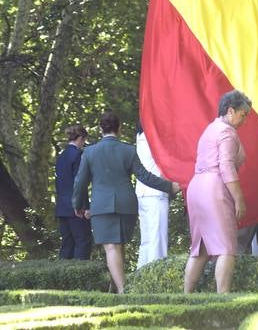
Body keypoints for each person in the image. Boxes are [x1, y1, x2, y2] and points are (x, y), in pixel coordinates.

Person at [72, 110, 179, 293]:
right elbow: (144, 176)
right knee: (118, 245)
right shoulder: (129, 150)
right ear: (119, 128)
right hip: (126, 206)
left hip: (102, 206)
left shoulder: (90, 152)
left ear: (100, 129)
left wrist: (78, 204)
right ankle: (115, 288)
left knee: (111, 247)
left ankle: (123, 291)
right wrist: (169, 186)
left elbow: (80, 182)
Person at [184, 90, 252, 294]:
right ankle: (223, 299)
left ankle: (185, 297)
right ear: (230, 111)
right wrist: (239, 198)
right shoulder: (227, 132)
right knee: (227, 248)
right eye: (242, 115)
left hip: (196, 187)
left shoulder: (210, 129)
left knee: (200, 249)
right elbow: (226, 166)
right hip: (214, 188)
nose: (244, 121)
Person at [55, 123, 92, 260]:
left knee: (67, 244)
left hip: (62, 207)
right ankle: (80, 279)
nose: (84, 143)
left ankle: (63, 278)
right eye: (84, 140)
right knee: (83, 242)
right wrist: (84, 207)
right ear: (81, 138)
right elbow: (79, 183)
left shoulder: (61, 156)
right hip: (76, 208)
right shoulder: (78, 155)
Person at [136, 121, 169, 268]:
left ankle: (141, 275)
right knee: (157, 238)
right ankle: (155, 275)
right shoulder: (152, 139)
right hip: (156, 192)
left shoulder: (140, 137)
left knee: (147, 239)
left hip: (143, 192)